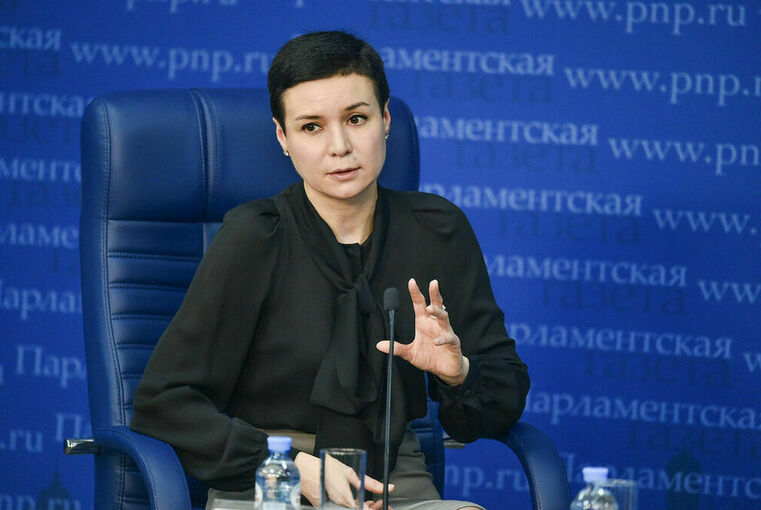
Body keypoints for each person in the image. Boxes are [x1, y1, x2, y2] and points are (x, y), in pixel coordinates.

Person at [130, 31, 530, 510]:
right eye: (311, 127)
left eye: (356, 119)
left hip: (395, 485)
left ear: (385, 120)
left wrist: (458, 374)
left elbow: (502, 397)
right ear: (283, 138)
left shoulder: (437, 229)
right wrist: (289, 465)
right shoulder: (254, 237)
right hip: (274, 483)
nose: (339, 146)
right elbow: (163, 403)